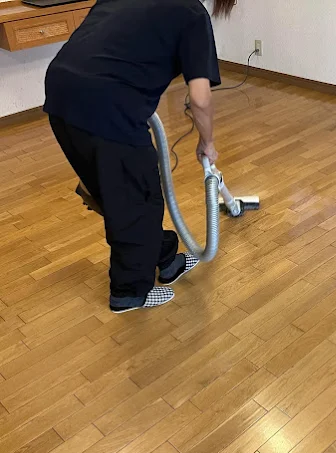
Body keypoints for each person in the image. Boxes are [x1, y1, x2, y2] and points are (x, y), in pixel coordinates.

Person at [44, 0, 237, 313]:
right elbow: (200, 99)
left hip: (60, 93)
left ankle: (166, 259)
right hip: (108, 105)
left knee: (121, 193)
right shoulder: (191, 14)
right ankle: (129, 292)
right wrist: (208, 142)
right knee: (139, 199)